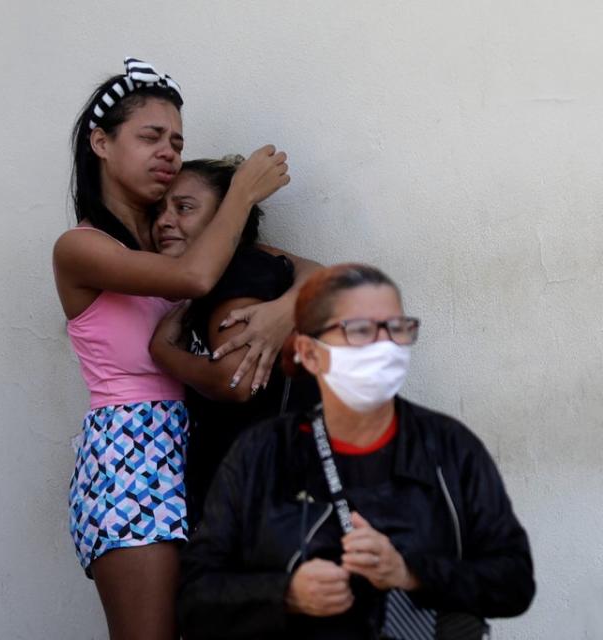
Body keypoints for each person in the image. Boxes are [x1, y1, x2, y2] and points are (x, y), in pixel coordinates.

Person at [52, 57, 290, 640]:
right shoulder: (79, 248)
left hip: (194, 452)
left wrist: (284, 313)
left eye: (177, 142)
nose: (169, 153)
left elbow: (320, 276)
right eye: (151, 137)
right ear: (101, 143)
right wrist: (238, 195)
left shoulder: (173, 241)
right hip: (129, 457)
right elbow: (194, 282)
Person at [178, 264, 535, 639]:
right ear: (310, 353)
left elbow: (514, 582)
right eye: (360, 331)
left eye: (396, 329)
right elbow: (194, 598)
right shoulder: (262, 454)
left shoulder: (449, 447)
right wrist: (286, 594)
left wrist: (411, 572)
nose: (383, 347)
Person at [148, 156, 322, 526]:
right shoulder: (239, 274)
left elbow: (235, 379)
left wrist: (164, 354)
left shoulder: (239, 271)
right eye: (159, 210)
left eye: (184, 208)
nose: (164, 221)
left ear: (226, 218)